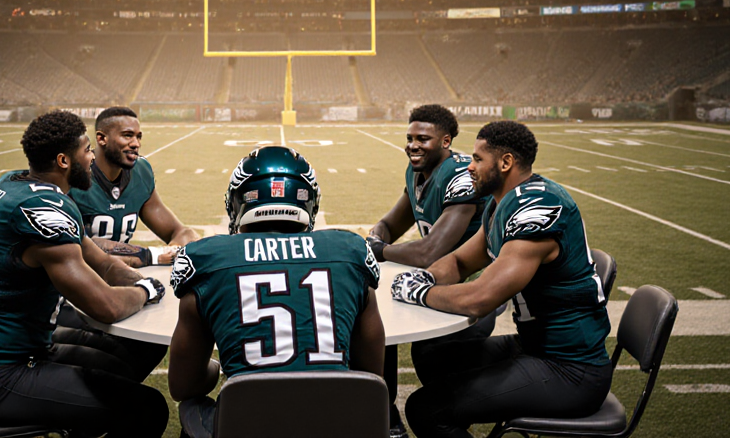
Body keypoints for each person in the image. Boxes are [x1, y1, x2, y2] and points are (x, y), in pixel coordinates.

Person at [0, 110, 169, 438]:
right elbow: (106, 306)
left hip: (22, 349)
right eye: (86, 150)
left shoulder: (17, 183)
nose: (92, 156)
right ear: (65, 161)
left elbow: (104, 263)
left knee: (122, 368)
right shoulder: (41, 211)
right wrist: (146, 293)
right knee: (148, 407)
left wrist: (148, 281)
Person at [392, 120, 613, 438]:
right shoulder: (502, 204)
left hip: (570, 368)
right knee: (432, 357)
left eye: (478, 159)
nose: (469, 167)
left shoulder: (538, 208)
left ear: (506, 162)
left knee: (425, 409)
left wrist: (419, 293)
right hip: (535, 347)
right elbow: (458, 262)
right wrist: (424, 276)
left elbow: (479, 300)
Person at [167, 146, 386, 438]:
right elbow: (370, 372)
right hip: (335, 423)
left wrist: (222, 367)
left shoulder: (205, 259)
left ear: (238, 202)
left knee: (193, 405)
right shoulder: (350, 252)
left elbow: (184, 385)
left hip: (248, 423)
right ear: (310, 202)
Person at [366, 104, 492, 437]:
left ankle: (448, 419)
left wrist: (377, 250)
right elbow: (390, 224)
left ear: (446, 141)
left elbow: (429, 251)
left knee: (431, 352)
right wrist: (376, 238)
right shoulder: (417, 172)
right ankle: (387, 411)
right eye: (409, 138)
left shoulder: (461, 175)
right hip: (433, 285)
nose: (413, 145)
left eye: (423, 138)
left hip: (474, 289)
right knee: (385, 327)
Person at [69, 106, 199, 267]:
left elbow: (181, 232)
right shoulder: (73, 176)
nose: (135, 144)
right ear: (102, 138)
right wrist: (151, 255)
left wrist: (177, 250)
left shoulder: (141, 171)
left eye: (138, 137)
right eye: (127, 136)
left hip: (116, 280)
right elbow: (80, 246)